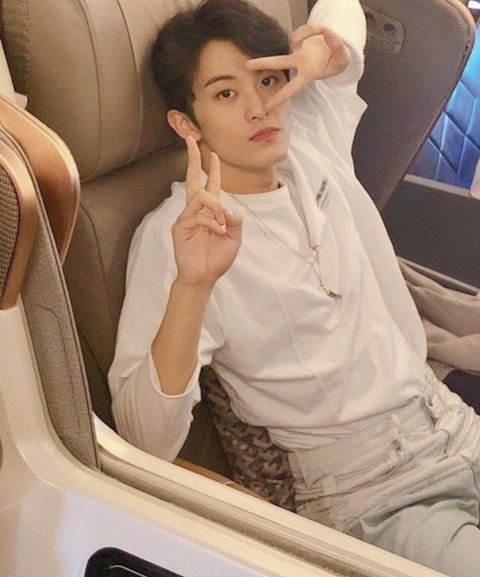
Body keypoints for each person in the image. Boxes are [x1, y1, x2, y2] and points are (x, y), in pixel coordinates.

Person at [108, 1, 480, 575]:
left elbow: (343, 11)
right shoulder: (177, 235)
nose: (259, 107)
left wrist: (322, 52)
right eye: (225, 93)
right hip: (372, 491)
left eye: (268, 81)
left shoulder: (310, 144)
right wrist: (192, 287)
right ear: (187, 123)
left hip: (450, 423)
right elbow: (143, 439)